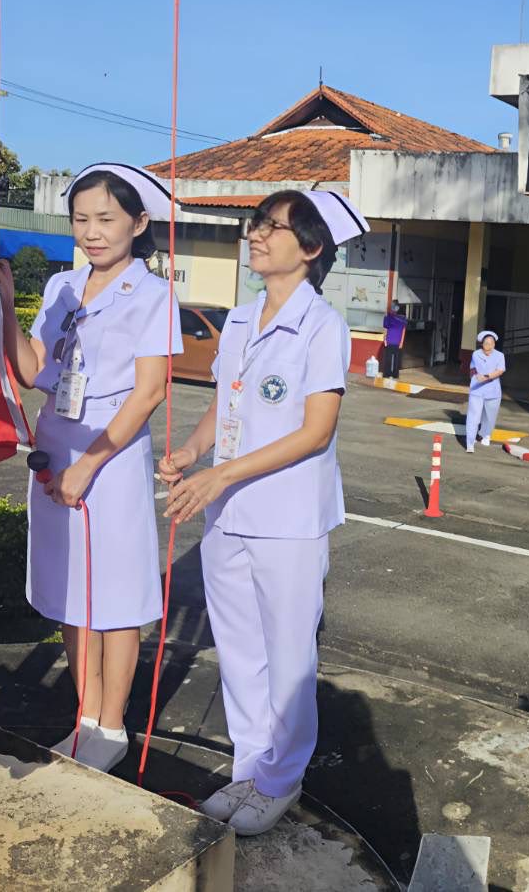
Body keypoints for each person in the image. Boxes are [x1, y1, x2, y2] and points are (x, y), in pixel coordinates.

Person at [157, 188, 367, 836]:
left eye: (272, 228)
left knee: (287, 651)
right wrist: (192, 454)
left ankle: (281, 776)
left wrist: (220, 472)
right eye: (256, 225)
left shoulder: (322, 326)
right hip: (228, 511)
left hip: (288, 516)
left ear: (310, 249)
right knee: (240, 647)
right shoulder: (242, 319)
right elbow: (225, 406)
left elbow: (313, 431)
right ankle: (249, 766)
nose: (255, 236)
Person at [0, 163, 183, 773]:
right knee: (73, 592)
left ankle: (111, 724)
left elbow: (150, 391)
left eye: (106, 219)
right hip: (57, 447)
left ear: (139, 222)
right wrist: (3, 305)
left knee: (117, 595)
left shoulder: (154, 295)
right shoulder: (61, 288)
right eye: (81, 219)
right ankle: (84, 716)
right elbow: (31, 369)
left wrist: (92, 465)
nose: (93, 232)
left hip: (112, 456)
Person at [466, 331, 506, 452]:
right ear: (482, 344)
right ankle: (470, 443)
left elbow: (500, 371)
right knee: (473, 417)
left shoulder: (500, 356)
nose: (489, 345)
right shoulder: (476, 354)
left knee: (490, 416)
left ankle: (486, 434)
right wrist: (473, 378)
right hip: (477, 390)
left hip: (493, 391)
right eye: (486, 343)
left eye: (491, 343)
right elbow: (472, 368)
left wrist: (486, 376)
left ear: (494, 344)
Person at [380, 301, 406, 378]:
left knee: (396, 359)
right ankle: (387, 374)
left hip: (397, 341)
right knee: (388, 358)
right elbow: (386, 329)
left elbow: (403, 330)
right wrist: (384, 339)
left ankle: (394, 374)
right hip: (389, 340)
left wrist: (401, 342)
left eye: (395, 306)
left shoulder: (402, 318)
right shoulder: (388, 317)